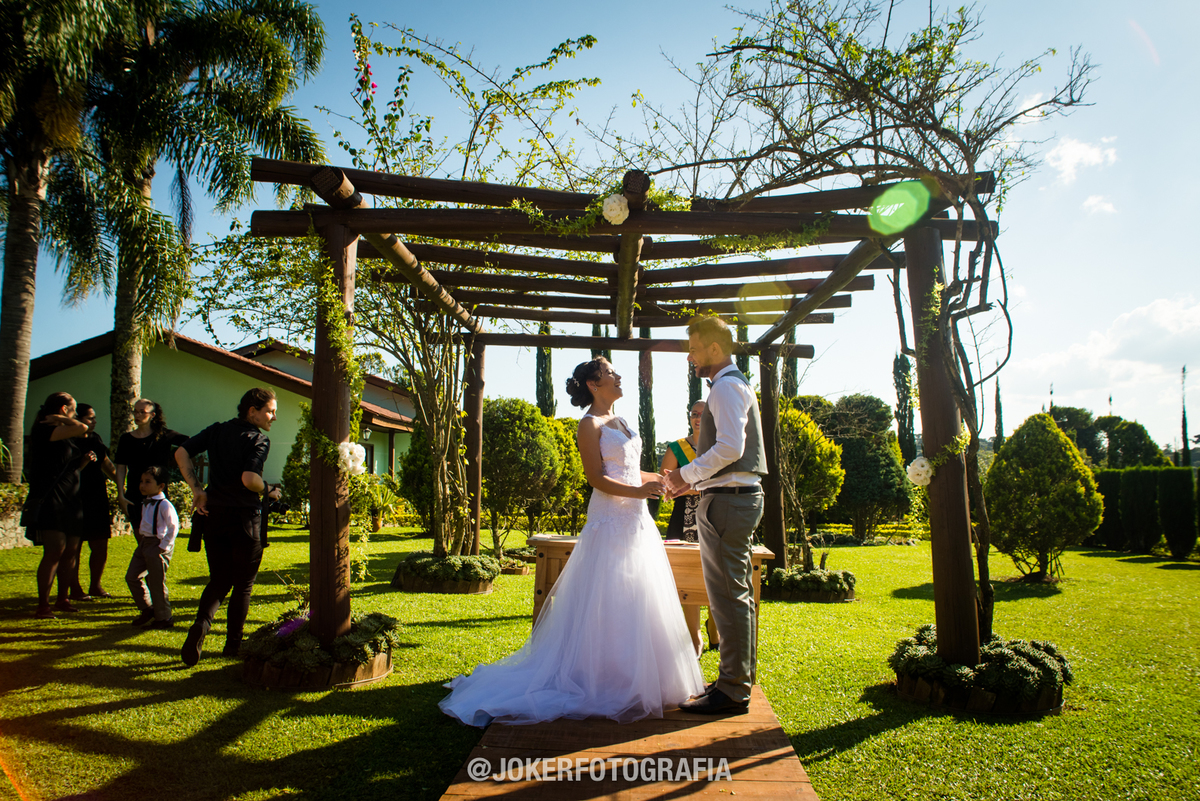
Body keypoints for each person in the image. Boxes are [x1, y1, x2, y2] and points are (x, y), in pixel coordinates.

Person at [439, 357, 704, 727]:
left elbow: (629, 470)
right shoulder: (589, 425)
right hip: (609, 520)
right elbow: (597, 478)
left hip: (636, 522)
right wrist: (641, 490)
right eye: (611, 373)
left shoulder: (623, 421)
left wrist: (661, 481)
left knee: (637, 593)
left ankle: (637, 675)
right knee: (606, 594)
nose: (618, 376)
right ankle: (598, 677)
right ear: (594, 385)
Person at [663, 316, 767, 715]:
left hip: (729, 502)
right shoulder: (731, 385)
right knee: (731, 595)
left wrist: (686, 474)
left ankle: (733, 689)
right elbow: (730, 456)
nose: (689, 357)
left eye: (693, 348)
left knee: (728, 596)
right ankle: (733, 681)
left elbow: (728, 448)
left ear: (713, 348)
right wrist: (695, 484)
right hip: (728, 497)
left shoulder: (725, 387)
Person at [175, 387, 276, 666]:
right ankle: (233, 644)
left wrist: (197, 489)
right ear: (252, 411)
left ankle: (201, 625)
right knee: (243, 584)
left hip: (214, 517)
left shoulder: (217, 431)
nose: (273, 417)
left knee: (219, 579)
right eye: (270, 411)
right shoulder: (258, 439)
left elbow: (182, 453)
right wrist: (269, 490)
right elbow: (249, 479)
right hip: (244, 519)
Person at [22, 392, 90, 619]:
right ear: (63, 409)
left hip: (71, 497)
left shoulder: (62, 432)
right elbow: (81, 427)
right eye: (73, 407)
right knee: (54, 551)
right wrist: (62, 420)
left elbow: (80, 436)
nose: (76, 412)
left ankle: (63, 598)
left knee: (71, 551)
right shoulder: (44, 430)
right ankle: (43, 604)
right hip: (52, 498)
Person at [660, 399, 719, 655]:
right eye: (694, 414)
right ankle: (694, 633)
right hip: (683, 518)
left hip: (718, 515)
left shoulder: (721, 446)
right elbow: (665, 486)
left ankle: (715, 626)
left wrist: (690, 487)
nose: (698, 418)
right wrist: (678, 489)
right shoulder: (677, 448)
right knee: (689, 574)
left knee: (719, 573)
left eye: (703, 414)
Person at [114, 399, 188, 536]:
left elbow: (192, 443)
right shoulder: (126, 439)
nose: (137, 415)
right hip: (134, 495)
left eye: (142, 412)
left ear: (152, 415)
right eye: (135, 411)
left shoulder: (165, 436)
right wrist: (120, 494)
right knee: (142, 540)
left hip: (158, 496)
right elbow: (120, 467)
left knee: (158, 539)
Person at [69, 404, 118, 600]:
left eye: (94, 417)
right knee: (75, 547)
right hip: (76, 497)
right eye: (90, 418)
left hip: (97, 496)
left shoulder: (95, 439)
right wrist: (82, 462)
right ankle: (74, 587)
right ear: (78, 419)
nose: (94, 421)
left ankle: (95, 586)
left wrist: (123, 486)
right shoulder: (68, 442)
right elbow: (67, 473)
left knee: (100, 544)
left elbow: (107, 464)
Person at [127, 466, 179, 628]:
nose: (142, 485)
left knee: (156, 582)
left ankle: (164, 617)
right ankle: (147, 608)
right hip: (145, 542)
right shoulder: (146, 503)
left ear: (161, 486)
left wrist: (163, 547)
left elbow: (173, 527)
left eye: (148, 482)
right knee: (132, 576)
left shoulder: (164, 505)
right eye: (141, 482)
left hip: (158, 544)